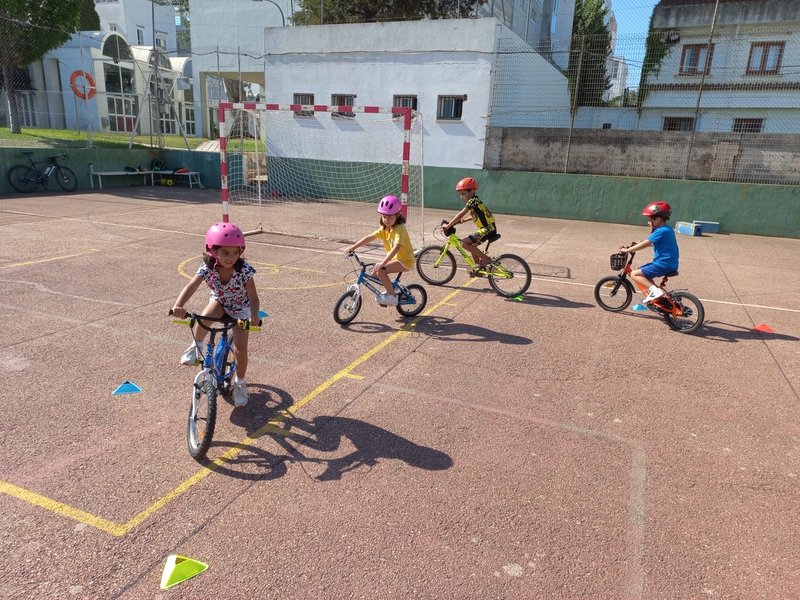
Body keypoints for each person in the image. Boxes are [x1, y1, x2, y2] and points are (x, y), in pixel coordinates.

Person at [172, 222, 260, 407]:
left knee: (240, 349)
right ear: (212, 250)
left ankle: (240, 383)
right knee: (203, 319)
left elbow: (253, 296)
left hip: (240, 308)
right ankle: (196, 347)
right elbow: (191, 286)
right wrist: (179, 305)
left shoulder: (244, 270)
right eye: (226, 253)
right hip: (219, 302)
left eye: (236, 252)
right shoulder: (207, 268)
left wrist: (253, 315)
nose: (232, 257)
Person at [344, 195, 415, 307]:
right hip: (395, 259)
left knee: (380, 269)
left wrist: (383, 263)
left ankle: (392, 296)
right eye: (384, 217)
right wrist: (353, 247)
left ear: (397, 215)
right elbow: (370, 237)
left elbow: (396, 247)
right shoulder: (385, 229)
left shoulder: (400, 229)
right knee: (374, 273)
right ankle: (392, 288)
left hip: (405, 261)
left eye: (390, 217)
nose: (386, 220)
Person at [620, 201, 679, 304]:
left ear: (658, 219)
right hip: (670, 263)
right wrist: (640, 242)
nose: (648, 222)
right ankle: (658, 296)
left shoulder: (660, 231)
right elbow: (653, 243)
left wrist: (627, 250)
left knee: (634, 274)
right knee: (644, 274)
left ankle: (655, 291)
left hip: (662, 264)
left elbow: (645, 244)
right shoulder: (667, 229)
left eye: (649, 219)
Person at [442, 177, 497, 274]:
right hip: (490, 228)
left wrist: (448, 225)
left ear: (472, 191)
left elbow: (460, 214)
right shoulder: (476, 201)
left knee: (464, 243)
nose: (461, 197)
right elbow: (478, 215)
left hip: (487, 229)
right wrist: (464, 220)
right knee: (471, 245)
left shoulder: (472, 201)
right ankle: (478, 269)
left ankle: (486, 259)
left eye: (463, 194)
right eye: (460, 195)